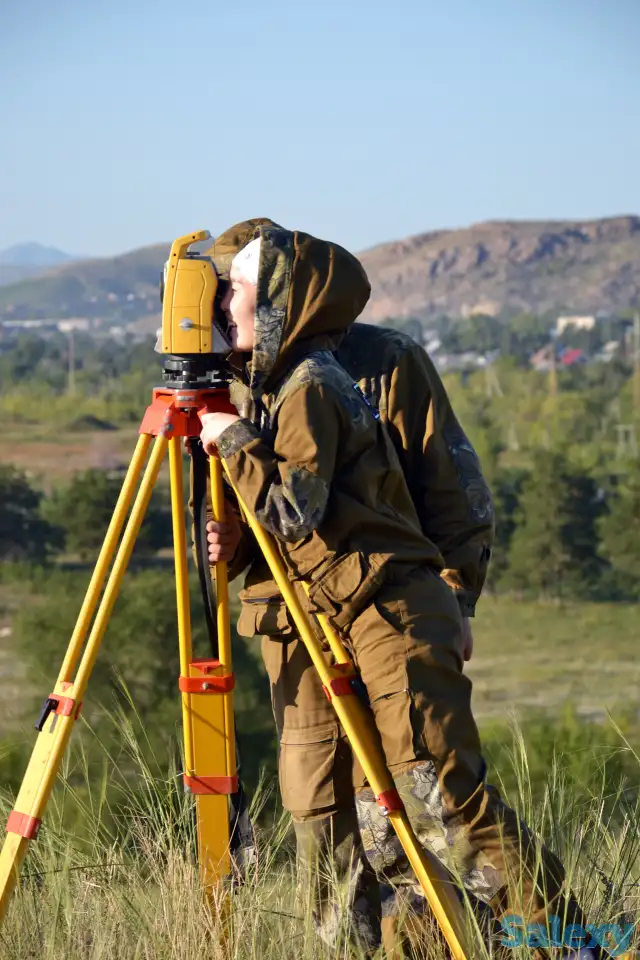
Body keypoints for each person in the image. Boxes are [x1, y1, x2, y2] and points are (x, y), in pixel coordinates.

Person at [197, 220, 602, 960]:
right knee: (332, 829)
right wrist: (224, 539)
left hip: (383, 608)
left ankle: (570, 947)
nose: (221, 307)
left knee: (431, 800)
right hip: (296, 627)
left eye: (234, 291)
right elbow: (268, 518)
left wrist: (456, 596)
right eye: (217, 291)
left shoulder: (375, 363)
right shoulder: (231, 384)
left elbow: (448, 489)